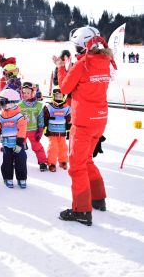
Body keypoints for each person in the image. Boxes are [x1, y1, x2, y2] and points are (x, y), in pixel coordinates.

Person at [54, 26, 115, 226]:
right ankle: (98, 199)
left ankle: (81, 210)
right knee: (87, 160)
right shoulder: (105, 62)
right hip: (100, 119)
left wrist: (61, 67)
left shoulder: (83, 64)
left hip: (83, 122)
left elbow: (64, 88)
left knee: (77, 167)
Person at [0, 89, 28, 189]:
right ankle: (7, 178)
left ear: (12, 102)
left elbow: (22, 129)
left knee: (21, 161)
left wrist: (19, 143)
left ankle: (21, 178)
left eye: (3, 103)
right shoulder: (2, 115)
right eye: (0, 103)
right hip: (6, 144)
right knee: (7, 162)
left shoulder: (19, 116)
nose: (2, 105)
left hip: (18, 144)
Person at [18, 82, 47, 171]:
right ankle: (18, 161)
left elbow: (40, 118)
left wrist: (40, 130)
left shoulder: (38, 105)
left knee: (37, 146)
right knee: (19, 146)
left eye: (28, 93)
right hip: (22, 131)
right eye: (24, 93)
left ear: (33, 93)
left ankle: (42, 162)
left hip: (33, 130)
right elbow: (16, 118)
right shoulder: (19, 105)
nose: (25, 95)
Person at [43, 87, 71, 172]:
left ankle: (63, 161)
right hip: (52, 131)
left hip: (62, 132)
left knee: (63, 147)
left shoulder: (66, 108)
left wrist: (69, 131)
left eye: (60, 96)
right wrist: (45, 129)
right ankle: (52, 163)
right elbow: (44, 119)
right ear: (53, 96)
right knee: (53, 147)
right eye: (57, 96)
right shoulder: (49, 107)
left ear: (63, 97)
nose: (58, 98)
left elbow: (69, 120)